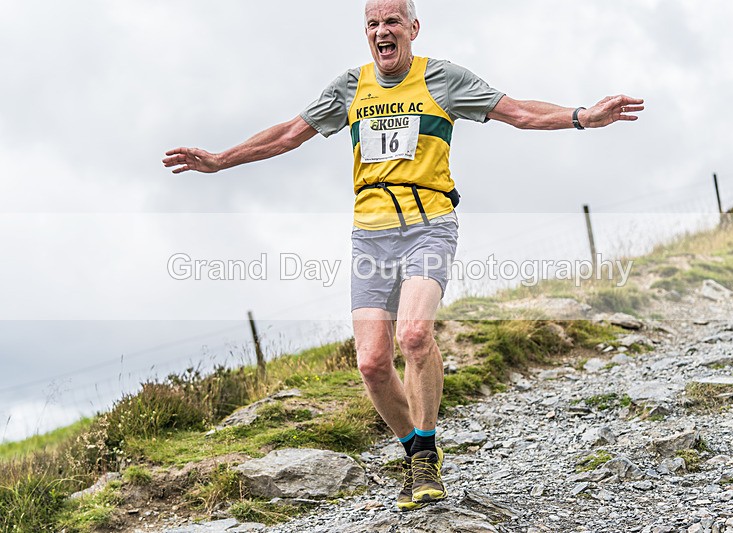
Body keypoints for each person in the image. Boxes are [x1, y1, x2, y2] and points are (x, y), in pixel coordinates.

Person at [163, 0, 644, 511]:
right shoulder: (349, 87)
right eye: (372, 23)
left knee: (415, 335)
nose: (381, 30)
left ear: (413, 28)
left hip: (428, 226)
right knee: (371, 363)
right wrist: (220, 160)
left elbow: (518, 112)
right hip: (370, 237)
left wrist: (581, 117)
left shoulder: (442, 79)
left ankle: (426, 453)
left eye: (392, 20)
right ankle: (414, 451)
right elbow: (288, 134)